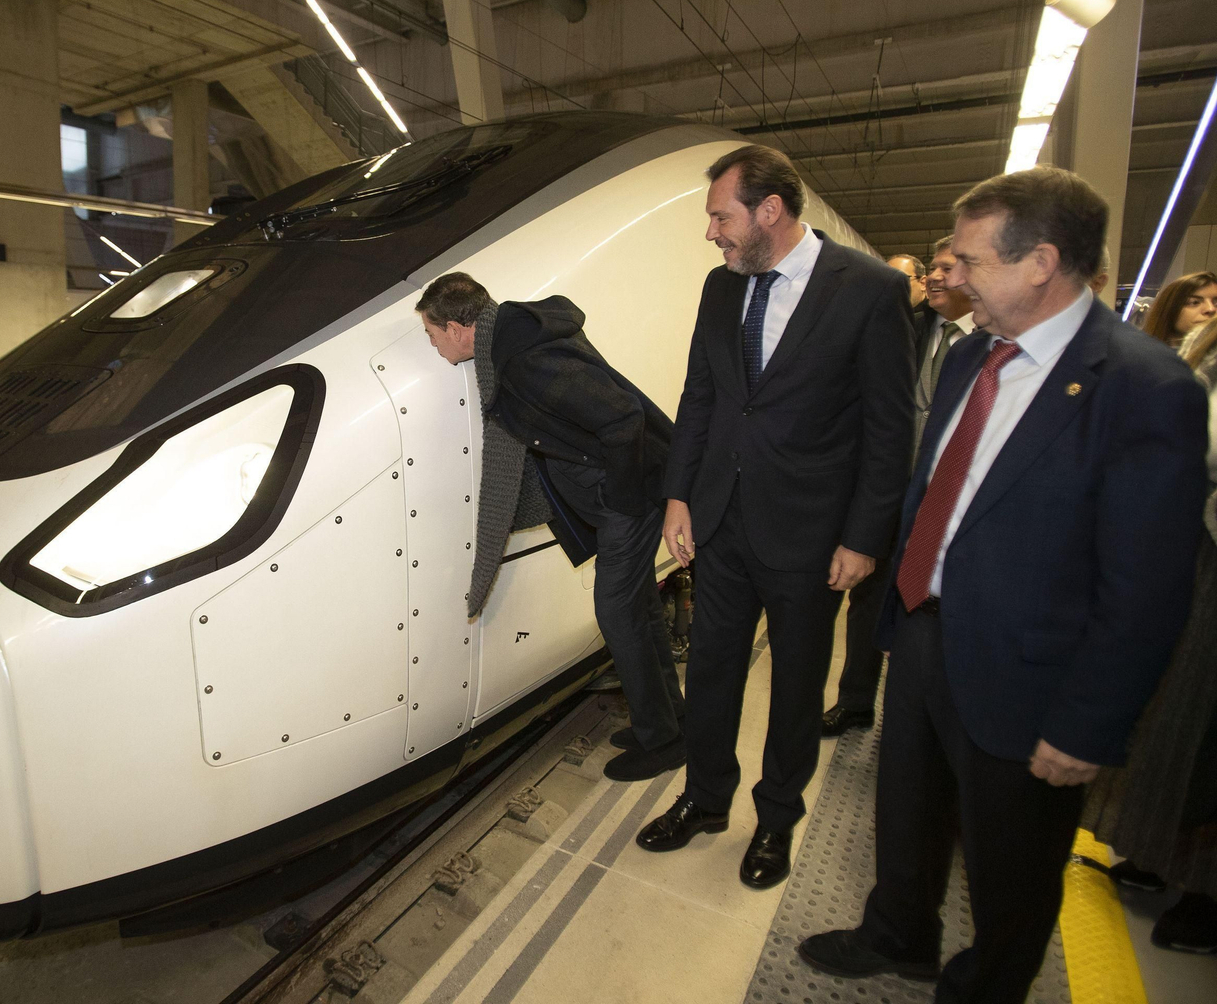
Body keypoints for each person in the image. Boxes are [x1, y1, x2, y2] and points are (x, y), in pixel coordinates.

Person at [797, 166, 1209, 1003]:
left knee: (1011, 862)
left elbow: (1146, 585)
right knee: (906, 812)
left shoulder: (1144, 386)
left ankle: (987, 984)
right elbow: (935, 491)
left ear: (1040, 263)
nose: (951, 274)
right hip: (925, 631)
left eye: (970, 260)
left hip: (1030, 673)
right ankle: (900, 933)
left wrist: (1089, 723)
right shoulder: (970, 357)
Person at [635, 143, 916, 889]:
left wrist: (864, 538)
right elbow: (701, 394)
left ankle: (776, 818)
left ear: (769, 211)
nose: (711, 234)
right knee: (712, 672)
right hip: (722, 521)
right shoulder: (720, 287)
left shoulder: (871, 290)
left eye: (720, 218)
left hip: (813, 532)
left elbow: (889, 429)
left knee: (795, 686)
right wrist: (679, 495)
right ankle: (705, 798)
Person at [415, 273, 687, 783]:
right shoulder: (516, 341)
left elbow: (623, 417)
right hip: (626, 498)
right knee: (639, 610)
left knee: (618, 614)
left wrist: (620, 503)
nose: (433, 346)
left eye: (431, 336)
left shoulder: (526, 361)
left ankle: (663, 742)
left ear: (455, 328)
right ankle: (671, 721)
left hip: (629, 500)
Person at [1079, 316, 1217, 954]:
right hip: (1201, 548)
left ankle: (1206, 888)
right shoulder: (1202, 356)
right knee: (1181, 720)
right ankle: (1167, 853)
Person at [823, 236, 976, 738]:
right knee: (868, 602)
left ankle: (927, 717)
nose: (935, 277)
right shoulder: (909, 325)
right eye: (932, 269)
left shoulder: (990, 342)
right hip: (893, 494)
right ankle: (856, 701)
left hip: (951, 504)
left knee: (932, 610)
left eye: (947, 268)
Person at [1140, 270, 1217, 348]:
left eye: (1216, 303)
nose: (1211, 309)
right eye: (1194, 302)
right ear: (1169, 310)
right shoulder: (1142, 352)